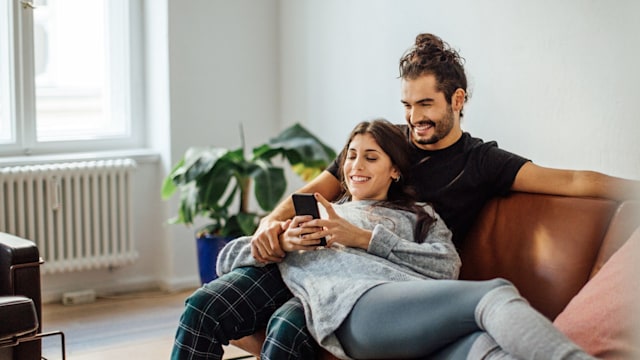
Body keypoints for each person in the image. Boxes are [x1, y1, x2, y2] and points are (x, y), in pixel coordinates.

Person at [171, 33, 640, 359]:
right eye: (407, 104)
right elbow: (314, 190)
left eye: (426, 104)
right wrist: (270, 228)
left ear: (457, 100)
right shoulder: (383, 143)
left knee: (290, 328)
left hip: (383, 283)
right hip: (319, 263)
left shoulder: (481, 162)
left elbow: (576, 182)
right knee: (204, 308)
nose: (414, 118)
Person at [215, 119, 596, 360]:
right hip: (352, 305)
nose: (356, 166)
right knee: (493, 293)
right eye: (350, 157)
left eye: (370, 158)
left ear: (395, 170)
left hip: (414, 309)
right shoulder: (320, 215)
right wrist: (278, 237)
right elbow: (230, 260)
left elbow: (448, 267)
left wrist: (365, 238)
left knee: (487, 349)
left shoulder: (421, 214)